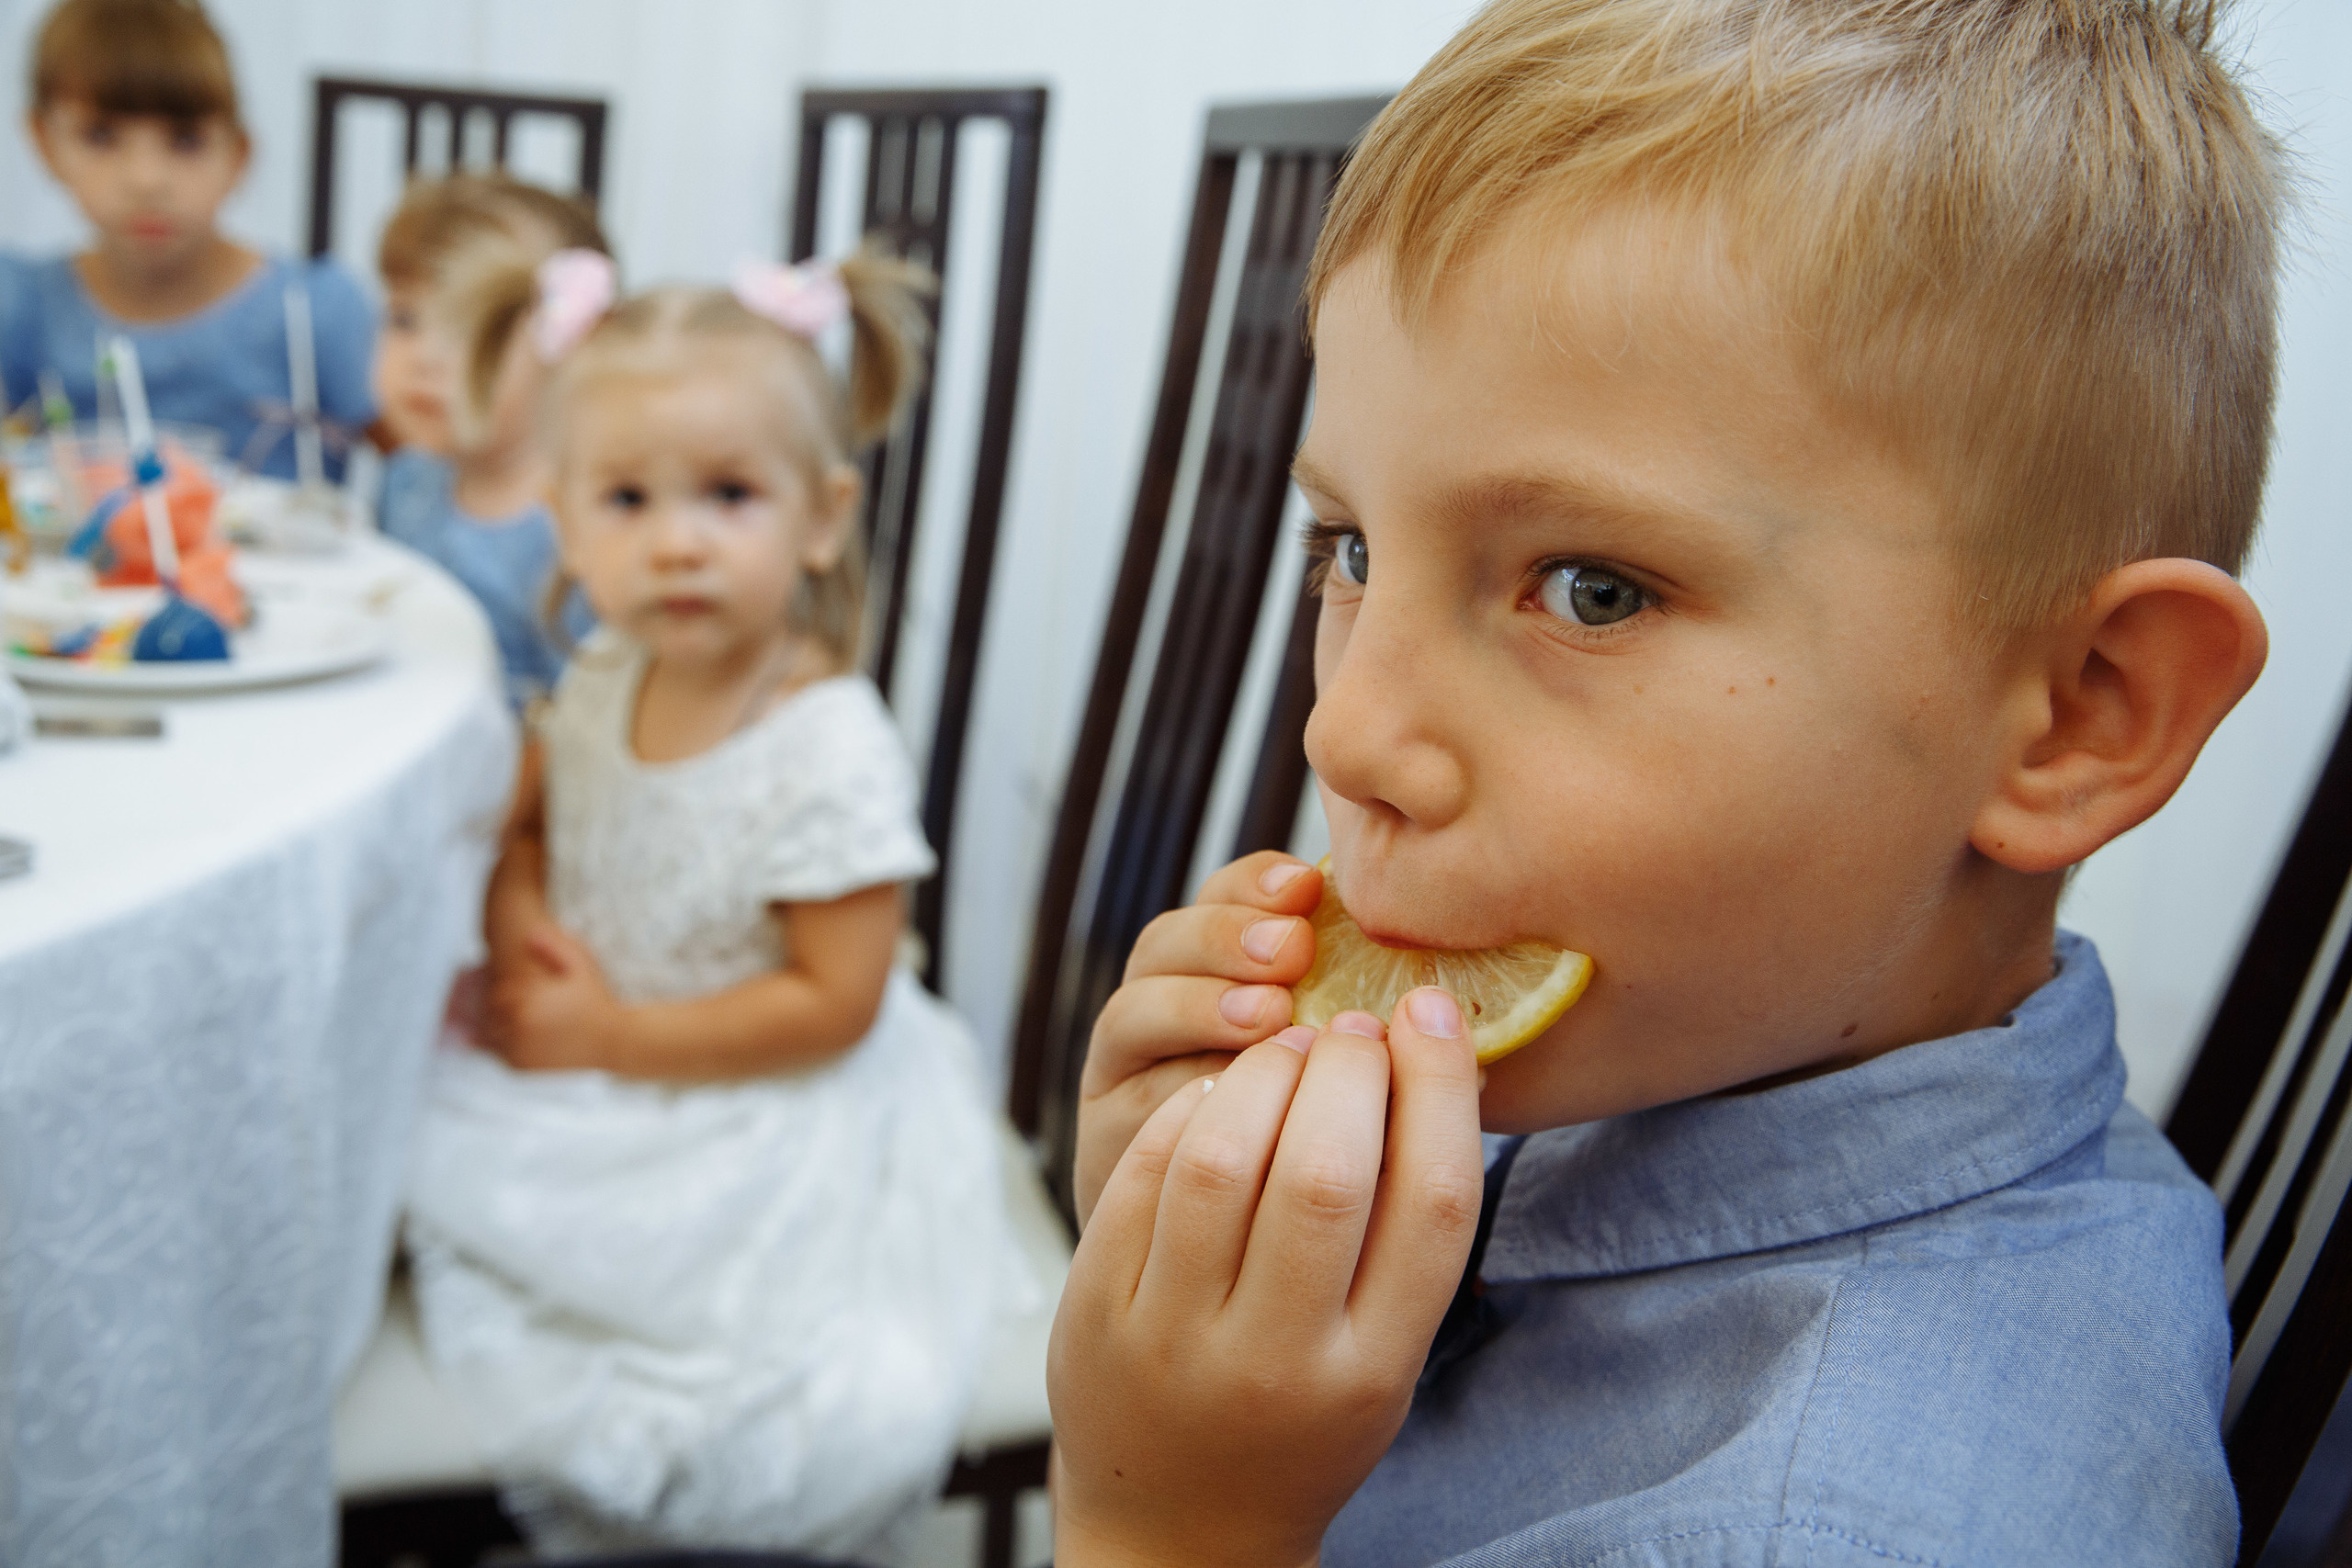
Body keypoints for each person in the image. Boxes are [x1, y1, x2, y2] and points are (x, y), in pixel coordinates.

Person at [1050, 2, 2284, 1564]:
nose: (1344, 736)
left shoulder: (1830, 1531)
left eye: (1591, 589)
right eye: (1352, 548)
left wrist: (1165, 1518)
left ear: (2079, 716)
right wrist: (1207, 1269)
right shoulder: (1706, 1022)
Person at [401, 249, 1017, 1561]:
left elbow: (834, 1003)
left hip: (763, 1096)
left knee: (726, 1375)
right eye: (627, 497)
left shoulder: (825, 744)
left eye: (729, 493)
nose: (676, 538)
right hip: (599, 1043)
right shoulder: (600, 673)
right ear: (565, 521)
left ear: (820, 515)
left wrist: (606, 1038)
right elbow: (521, 824)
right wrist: (521, 920)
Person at [0, 0, 375, 480]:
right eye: (101, 135)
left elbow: (430, 469)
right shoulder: (22, 308)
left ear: (238, 155)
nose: (146, 179)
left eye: (185, 140)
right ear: (42, 142)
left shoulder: (316, 312)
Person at [373, 175, 605, 711]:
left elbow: (572, 728)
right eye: (405, 319)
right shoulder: (406, 478)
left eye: (474, 327)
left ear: (572, 345)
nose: (425, 357)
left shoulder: (572, 537)